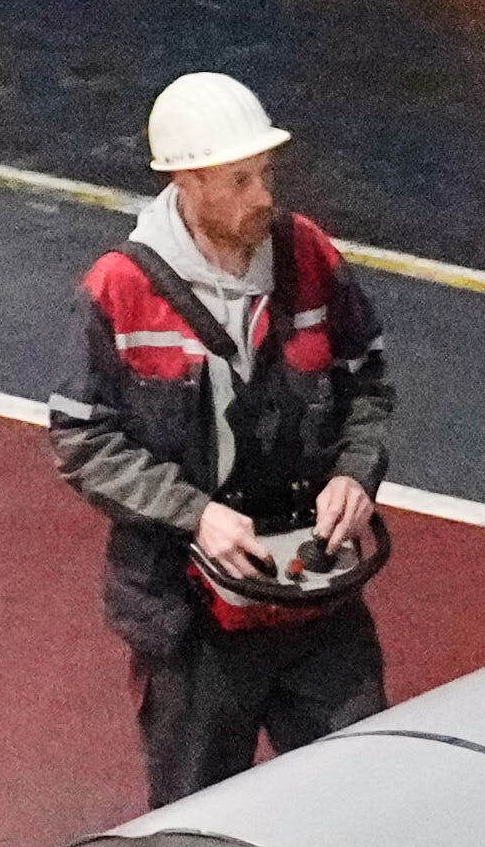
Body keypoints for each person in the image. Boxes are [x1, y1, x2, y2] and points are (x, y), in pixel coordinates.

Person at [53, 72, 399, 803]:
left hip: (314, 595)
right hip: (190, 618)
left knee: (363, 791)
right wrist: (196, 515)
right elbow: (84, 440)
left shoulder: (308, 256)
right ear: (187, 182)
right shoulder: (119, 291)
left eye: (265, 173)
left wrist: (354, 473)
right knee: (199, 811)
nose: (263, 196)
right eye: (240, 181)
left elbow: (366, 382)